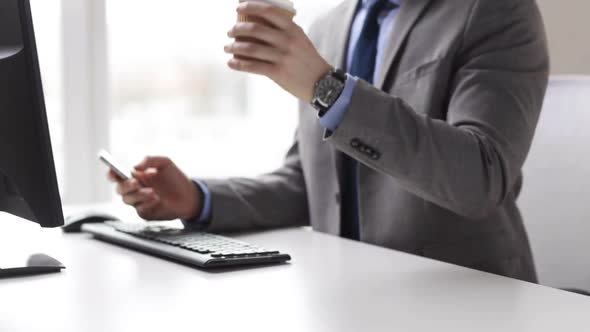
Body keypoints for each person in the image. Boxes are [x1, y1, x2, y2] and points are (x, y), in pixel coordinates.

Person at [109, 0, 549, 282]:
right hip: (350, 297)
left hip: (470, 300)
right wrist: (197, 199)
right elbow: (310, 184)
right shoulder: (326, 28)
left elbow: (481, 179)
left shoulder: (494, 11)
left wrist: (328, 88)